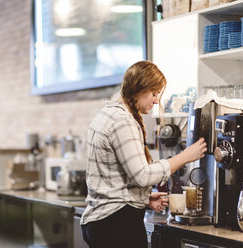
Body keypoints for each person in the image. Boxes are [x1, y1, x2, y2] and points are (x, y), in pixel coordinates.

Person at [80, 61, 207, 248]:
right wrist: (185, 156)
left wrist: (143, 199)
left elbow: (115, 178)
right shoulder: (122, 121)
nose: (156, 100)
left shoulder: (107, 114)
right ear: (139, 88)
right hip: (116, 225)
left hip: (102, 221)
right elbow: (143, 175)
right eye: (154, 94)